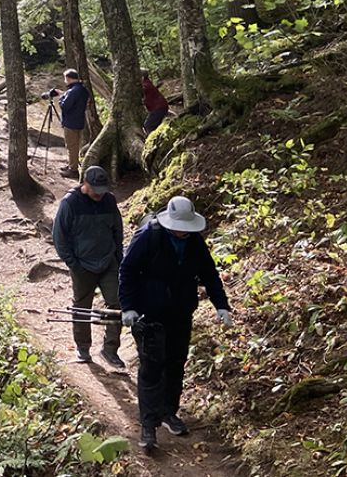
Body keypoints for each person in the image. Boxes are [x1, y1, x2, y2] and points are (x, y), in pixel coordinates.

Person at [119, 196, 233, 452]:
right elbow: (127, 270)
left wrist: (221, 305)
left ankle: (169, 412)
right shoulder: (149, 236)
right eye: (180, 228)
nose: (183, 232)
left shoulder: (194, 241)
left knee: (175, 363)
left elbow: (209, 273)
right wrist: (128, 307)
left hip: (181, 312)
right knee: (151, 366)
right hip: (150, 315)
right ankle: (148, 427)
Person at [51, 166, 124, 367]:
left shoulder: (109, 200)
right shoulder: (70, 203)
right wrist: (73, 264)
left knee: (116, 303)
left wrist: (119, 259)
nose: (99, 195)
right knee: (82, 307)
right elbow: (59, 237)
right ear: (85, 184)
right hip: (82, 265)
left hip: (108, 262)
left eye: (103, 190)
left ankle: (110, 350)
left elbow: (117, 230)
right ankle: (83, 348)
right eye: (96, 190)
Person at [56, 69, 89, 177]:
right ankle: (72, 164)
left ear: (69, 78)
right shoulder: (82, 89)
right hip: (79, 120)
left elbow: (65, 106)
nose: (65, 81)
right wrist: (65, 94)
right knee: (75, 145)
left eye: (65, 78)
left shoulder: (73, 91)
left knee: (71, 146)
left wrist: (61, 98)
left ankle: (73, 169)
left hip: (71, 122)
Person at [141, 69, 170, 134]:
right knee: (155, 125)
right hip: (160, 107)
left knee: (148, 125)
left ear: (142, 77)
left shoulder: (146, 85)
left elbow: (141, 91)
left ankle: (152, 141)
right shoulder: (147, 83)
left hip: (159, 108)